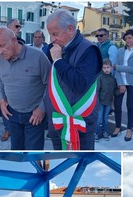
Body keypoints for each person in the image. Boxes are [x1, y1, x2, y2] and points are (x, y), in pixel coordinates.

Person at [43, 9, 102, 150]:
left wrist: (58, 60)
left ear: (70, 29)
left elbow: (79, 84)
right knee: (59, 161)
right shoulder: (54, 47)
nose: (51, 40)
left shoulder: (89, 50)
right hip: (57, 120)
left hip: (79, 123)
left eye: (55, 34)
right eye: (50, 34)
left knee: (79, 162)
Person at [0, 28, 50, 150]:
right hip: (11, 112)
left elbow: (51, 85)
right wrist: (1, 100)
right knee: (16, 151)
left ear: (14, 40)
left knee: (33, 153)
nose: (0, 51)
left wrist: (42, 109)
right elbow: (0, 80)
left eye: (2, 46)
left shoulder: (38, 56)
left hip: (34, 114)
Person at [0, 19, 25, 142]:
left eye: (19, 26)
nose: (19, 28)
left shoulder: (22, 44)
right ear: (8, 27)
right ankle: (7, 129)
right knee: (4, 105)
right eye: (16, 26)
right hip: (5, 80)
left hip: (19, 83)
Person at [112, 29, 133, 142]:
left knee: (131, 106)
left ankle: (129, 129)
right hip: (120, 81)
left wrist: (118, 67)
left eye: (130, 38)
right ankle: (117, 127)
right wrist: (121, 83)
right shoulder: (120, 51)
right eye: (126, 38)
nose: (127, 40)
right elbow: (115, 69)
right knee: (117, 105)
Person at [96, 59, 118, 142]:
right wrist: (97, 101)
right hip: (100, 102)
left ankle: (105, 132)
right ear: (102, 68)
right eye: (104, 67)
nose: (106, 69)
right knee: (99, 118)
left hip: (108, 102)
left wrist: (120, 91)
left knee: (105, 118)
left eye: (108, 67)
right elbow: (97, 90)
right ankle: (96, 133)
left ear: (111, 68)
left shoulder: (113, 79)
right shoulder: (100, 77)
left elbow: (115, 90)